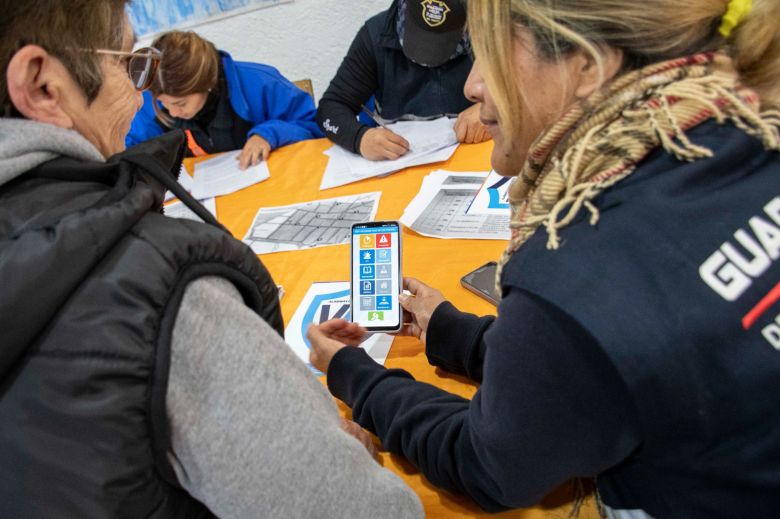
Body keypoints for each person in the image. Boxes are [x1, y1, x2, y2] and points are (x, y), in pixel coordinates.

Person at [308, 0, 780, 517]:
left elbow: (488, 464)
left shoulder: (576, 261)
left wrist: (353, 373)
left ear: (585, 62)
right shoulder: (745, 127)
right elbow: (601, 364)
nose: (471, 84)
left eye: (490, 53)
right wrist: (451, 330)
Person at [0, 1, 423, 518]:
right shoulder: (165, 293)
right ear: (43, 85)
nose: (141, 97)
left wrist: (270, 133)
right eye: (128, 63)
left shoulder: (254, 84)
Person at [316, 0, 490, 161]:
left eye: (440, 40)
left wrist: (493, 107)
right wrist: (360, 138)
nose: (429, 56)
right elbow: (330, 107)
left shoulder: (493, 31)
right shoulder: (376, 35)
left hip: (478, 157)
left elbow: (518, 90)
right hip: (401, 167)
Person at [126, 30, 322, 169]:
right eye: (162, 102)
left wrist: (269, 134)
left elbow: (314, 127)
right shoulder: (152, 96)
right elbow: (129, 151)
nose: (172, 112)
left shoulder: (262, 84)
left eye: (180, 103)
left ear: (207, 83)